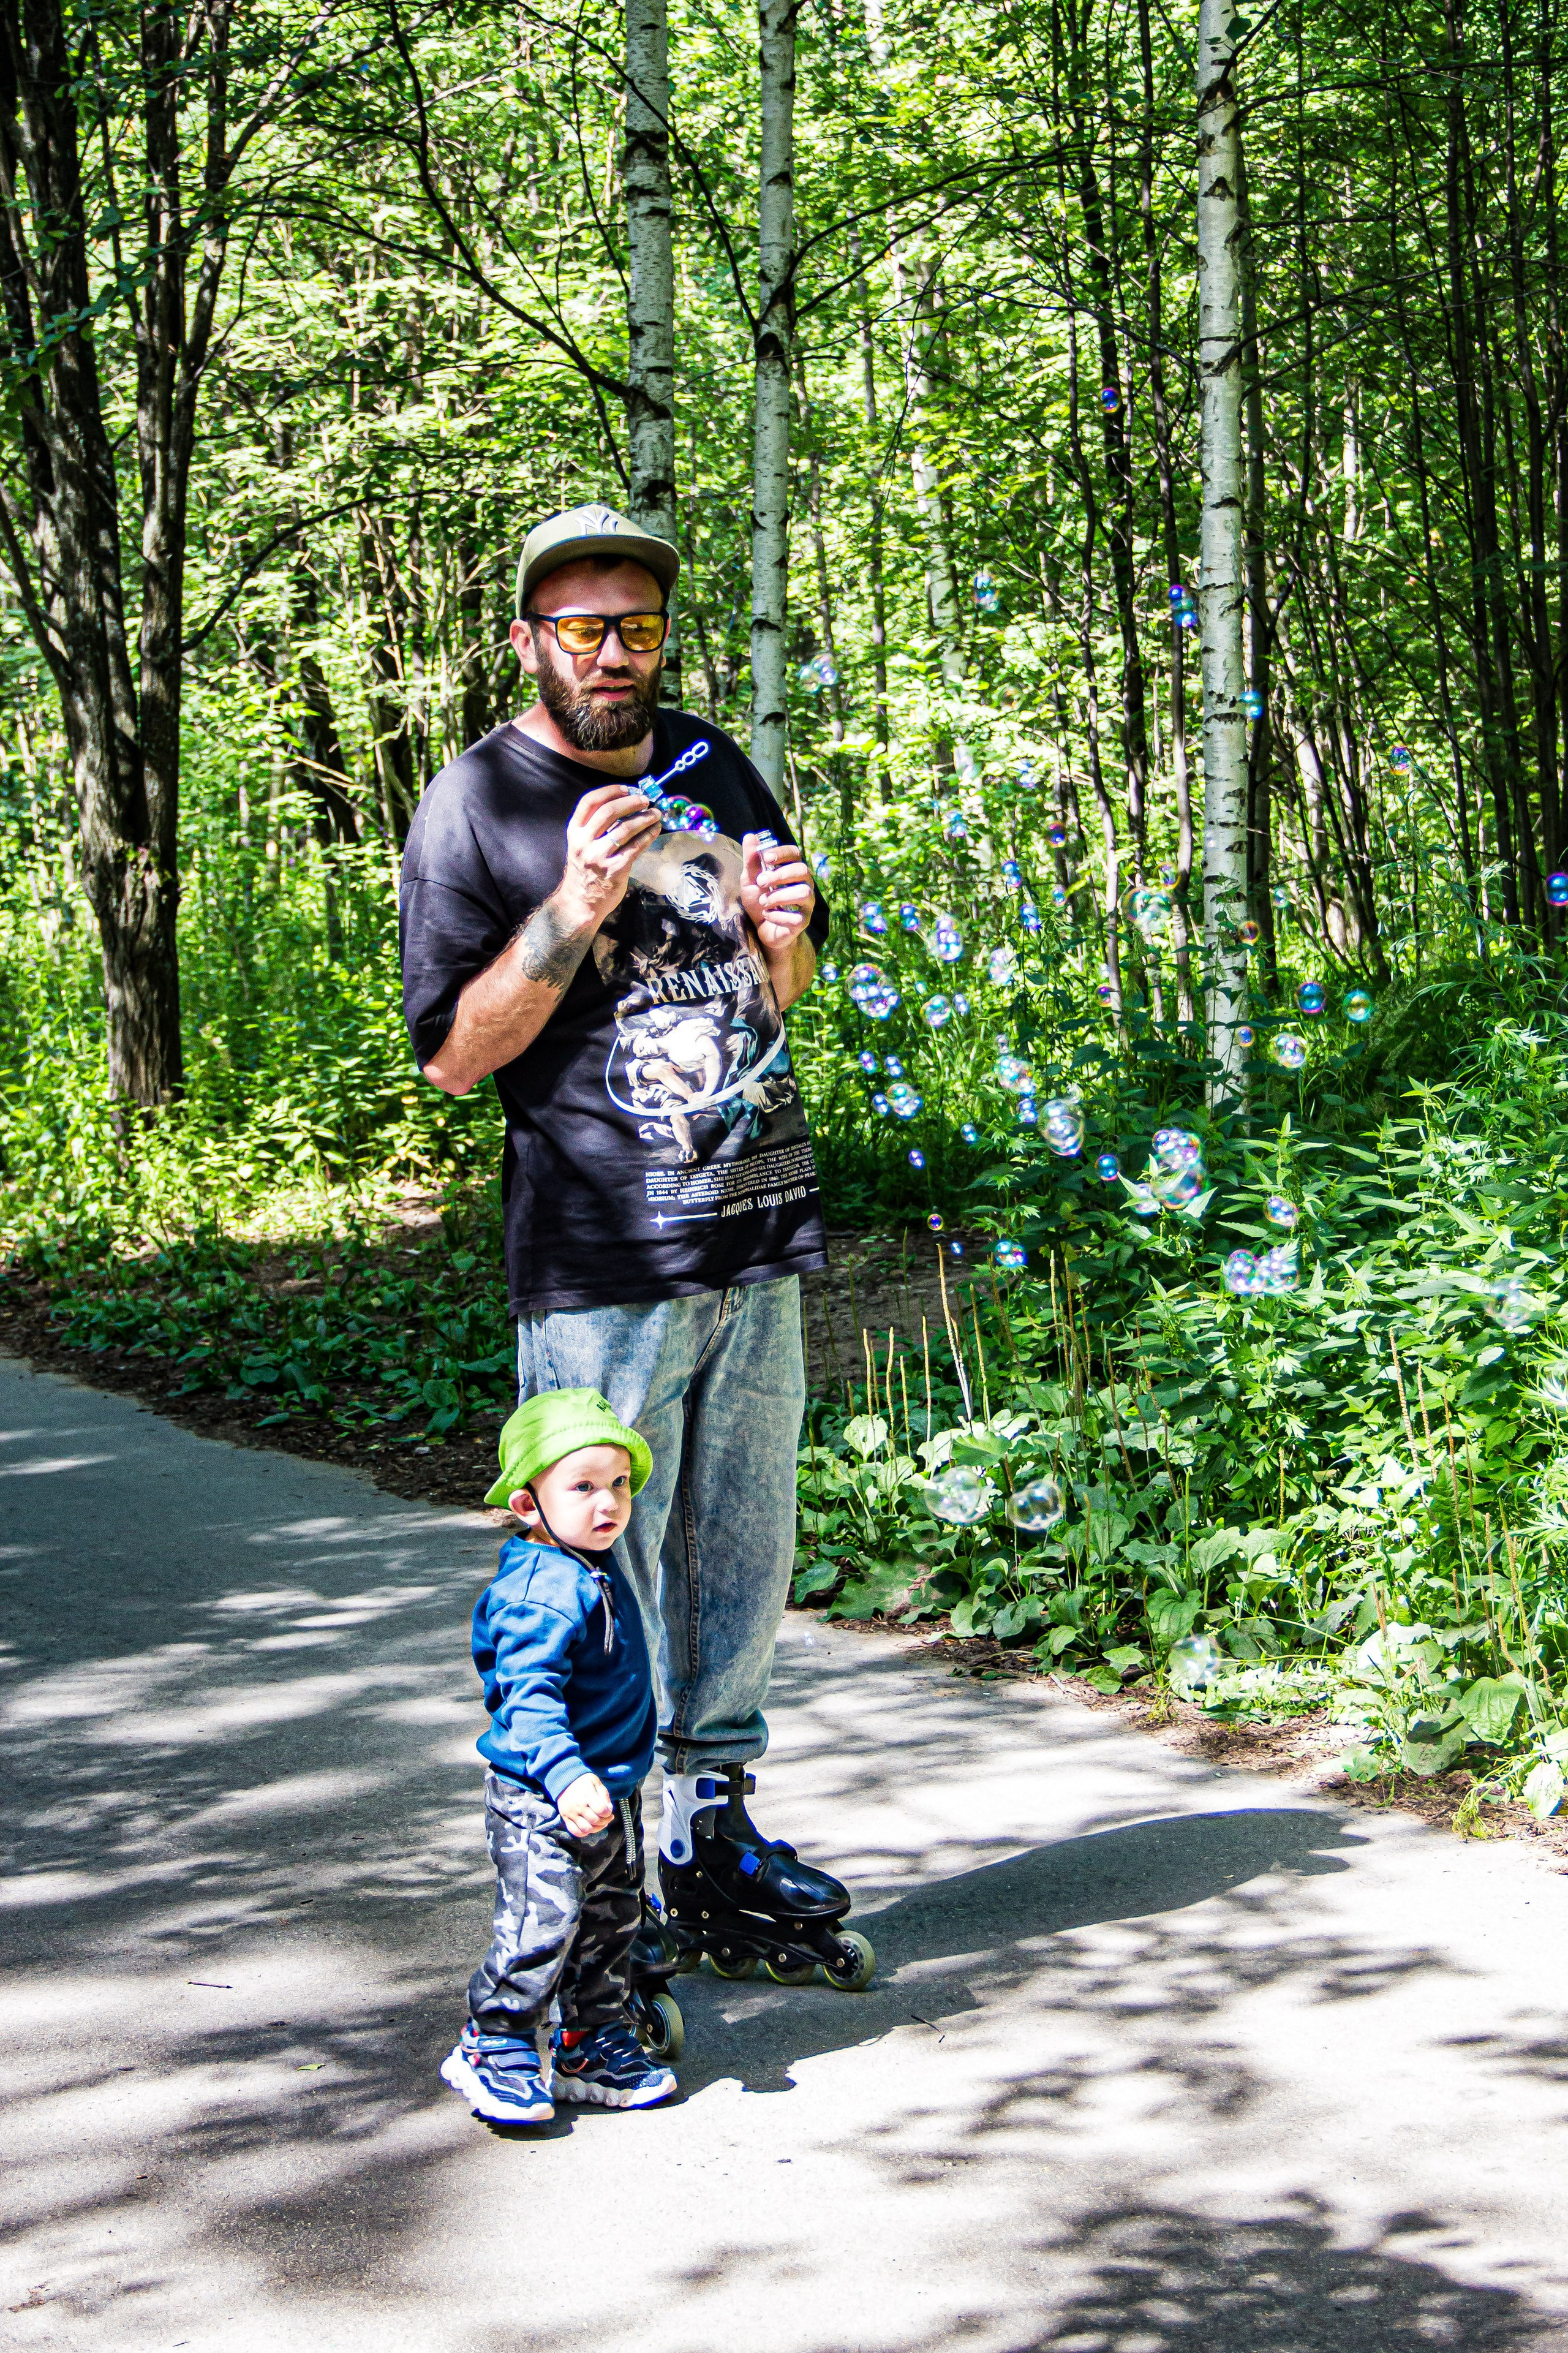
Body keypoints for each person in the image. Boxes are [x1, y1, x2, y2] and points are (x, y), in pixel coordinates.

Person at [401, 500, 869, 1989]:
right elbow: (457, 1058)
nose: (616, 654)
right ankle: (599, 1870)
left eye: (641, 627)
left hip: (750, 1222)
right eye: (585, 628)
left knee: (740, 1553)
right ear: (531, 637)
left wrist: (783, 932)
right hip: (602, 1260)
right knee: (602, 1576)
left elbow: (764, 996)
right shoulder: (475, 803)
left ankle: (709, 1823)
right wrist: (570, 907)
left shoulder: (712, 763)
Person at [440, 1388, 677, 2125]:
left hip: (610, 1790)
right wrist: (566, 1773)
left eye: (618, 1485)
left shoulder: (588, 1566)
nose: (607, 1503)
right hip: (543, 1794)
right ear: (526, 1504)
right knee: (543, 1921)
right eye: (582, 1488)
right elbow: (528, 1697)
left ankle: (589, 2040)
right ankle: (496, 2040)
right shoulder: (540, 1590)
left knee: (612, 1920)